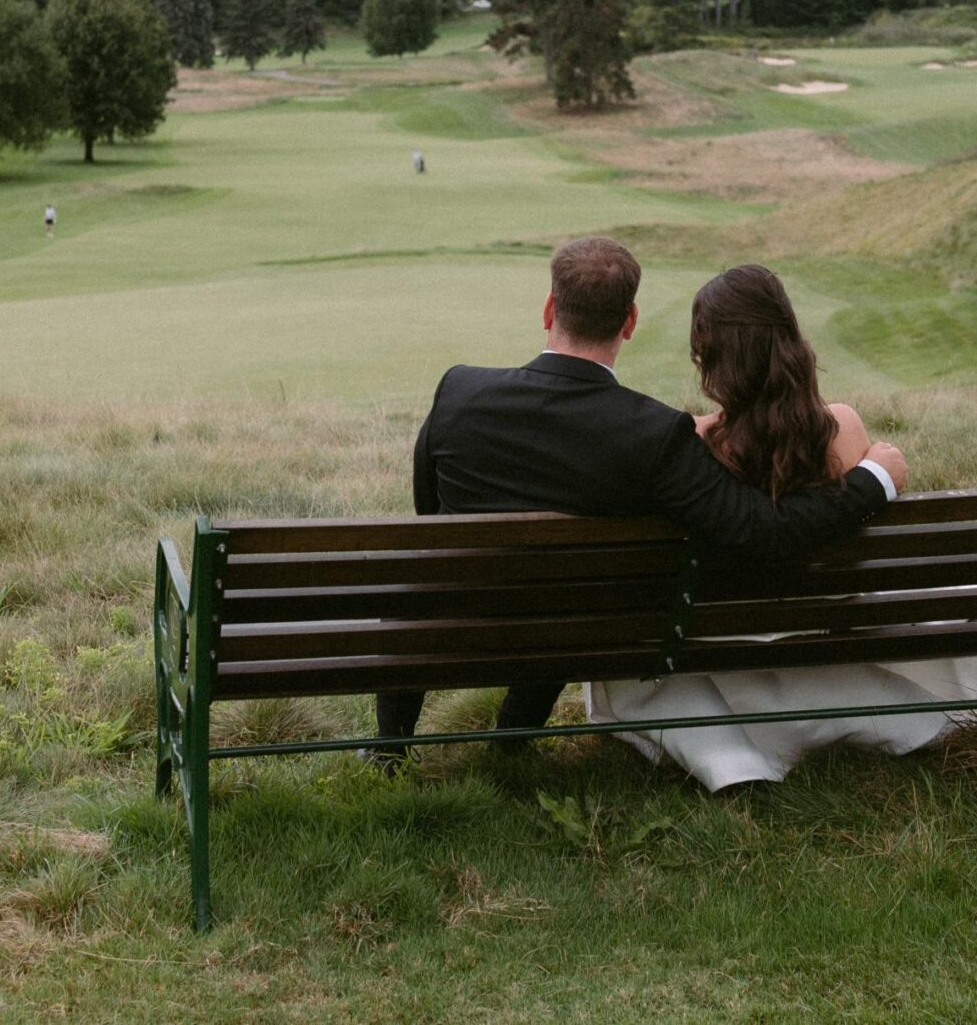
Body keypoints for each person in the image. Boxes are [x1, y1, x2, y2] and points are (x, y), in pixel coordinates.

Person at [377, 238, 909, 759]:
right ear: (630, 321)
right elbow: (757, 527)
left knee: (434, 588)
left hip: (451, 612)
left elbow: (429, 515)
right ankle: (513, 738)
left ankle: (390, 749)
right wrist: (874, 479)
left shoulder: (459, 390)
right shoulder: (655, 434)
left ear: (549, 308)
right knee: (562, 597)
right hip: (565, 627)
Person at [582, 265, 977, 790]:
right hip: (833, 620)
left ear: (710, 354)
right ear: (788, 338)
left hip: (732, 632)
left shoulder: (697, 443)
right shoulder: (842, 429)